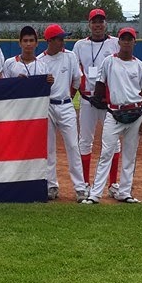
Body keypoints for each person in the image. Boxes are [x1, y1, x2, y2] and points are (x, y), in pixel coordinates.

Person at [81, 27, 142, 204]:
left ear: (135, 42)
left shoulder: (140, 65)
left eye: (130, 39)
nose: (126, 42)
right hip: (114, 112)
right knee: (106, 153)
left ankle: (125, 192)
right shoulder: (109, 62)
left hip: (135, 112)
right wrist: (97, 98)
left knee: (130, 155)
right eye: (123, 39)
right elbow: (100, 84)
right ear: (118, 42)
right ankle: (95, 194)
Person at [73, 8, 122, 197]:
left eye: (101, 21)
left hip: (108, 102)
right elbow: (77, 72)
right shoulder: (80, 45)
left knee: (114, 142)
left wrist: (107, 94)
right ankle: (85, 183)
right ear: (89, 24)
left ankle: (113, 184)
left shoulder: (115, 43)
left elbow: (119, 70)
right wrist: (83, 92)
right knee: (85, 141)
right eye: (94, 21)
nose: (98, 25)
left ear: (105, 23)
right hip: (87, 100)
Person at [38, 24, 88, 201]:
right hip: (48, 106)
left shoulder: (70, 56)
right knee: (49, 148)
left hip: (65, 105)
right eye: (59, 38)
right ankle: (51, 185)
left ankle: (80, 187)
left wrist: (69, 98)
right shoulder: (40, 61)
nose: (62, 41)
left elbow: (77, 81)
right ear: (49, 41)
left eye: (62, 38)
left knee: (73, 146)